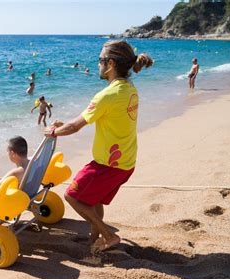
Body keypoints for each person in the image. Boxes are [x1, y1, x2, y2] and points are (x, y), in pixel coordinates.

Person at [44, 40, 153, 252]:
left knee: (72, 196)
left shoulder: (107, 95)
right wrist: (65, 123)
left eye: (100, 60)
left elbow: (76, 126)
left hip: (107, 165)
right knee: (93, 200)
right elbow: (101, 117)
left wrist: (54, 131)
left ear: (110, 64)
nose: (97, 65)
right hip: (126, 162)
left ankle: (109, 235)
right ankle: (94, 238)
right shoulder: (129, 89)